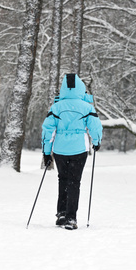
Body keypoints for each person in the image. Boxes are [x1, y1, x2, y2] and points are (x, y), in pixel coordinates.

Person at [42, 74, 103, 230]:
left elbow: (47, 130)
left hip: (60, 150)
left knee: (62, 179)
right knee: (74, 182)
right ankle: (71, 218)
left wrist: (46, 153)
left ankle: (61, 214)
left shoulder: (56, 107)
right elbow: (95, 126)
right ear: (80, 88)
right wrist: (96, 142)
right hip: (78, 149)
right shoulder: (87, 107)